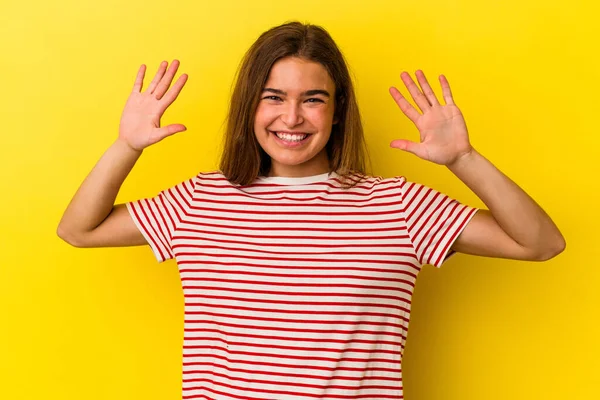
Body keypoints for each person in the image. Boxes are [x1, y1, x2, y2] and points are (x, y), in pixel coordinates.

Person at [57, 21, 565, 400]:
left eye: (313, 99)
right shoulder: (200, 200)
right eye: (273, 96)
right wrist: (127, 145)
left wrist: (463, 159)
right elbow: (79, 229)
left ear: (338, 109)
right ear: (249, 106)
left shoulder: (396, 203)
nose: (292, 117)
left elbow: (540, 243)